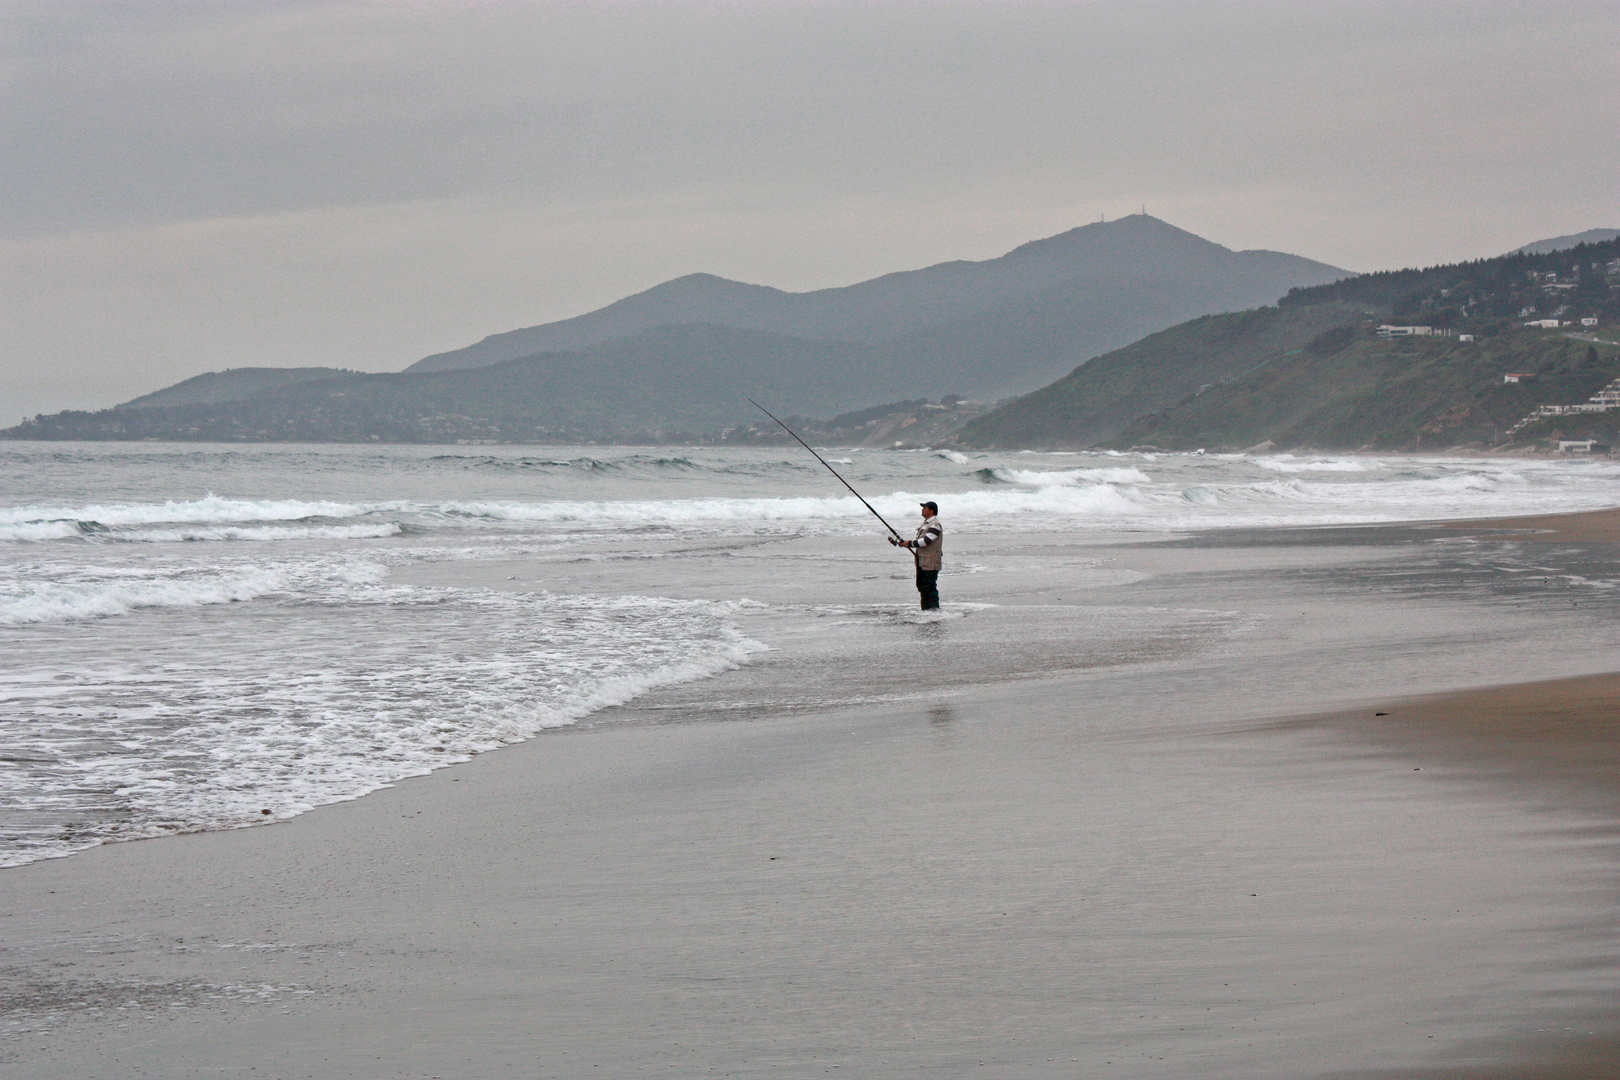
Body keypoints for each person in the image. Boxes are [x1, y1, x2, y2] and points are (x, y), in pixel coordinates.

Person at [890, 500, 943, 610]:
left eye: (924, 508)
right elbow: (920, 541)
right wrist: (904, 544)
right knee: (922, 587)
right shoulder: (925, 524)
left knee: (929, 587)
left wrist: (908, 543)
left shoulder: (935, 525)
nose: (922, 509)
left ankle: (933, 611)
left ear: (931, 511)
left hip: (930, 562)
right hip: (922, 561)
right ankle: (926, 611)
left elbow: (926, 541)